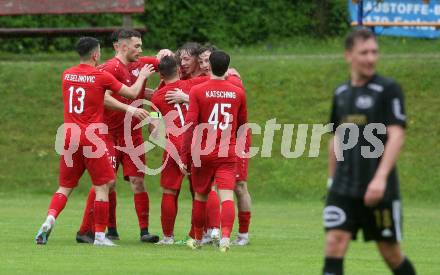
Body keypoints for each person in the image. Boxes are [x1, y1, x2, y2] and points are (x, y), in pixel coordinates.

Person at [35, 37, 153, 246]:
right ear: (95, 55)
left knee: (64, 187)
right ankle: (99, 236)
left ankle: (49, 219)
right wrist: (142, 75)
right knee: (103, 186)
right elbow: (133, 93)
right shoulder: (101, 76)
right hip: (91, 138)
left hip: (69, 136)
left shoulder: (67, 74)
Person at [323, 29, 416, 275]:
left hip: (378, 187)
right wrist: (331, 181)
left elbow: (396, 134)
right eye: (364, 52)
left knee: (390, 252)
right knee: (334, 242)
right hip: (343, 187)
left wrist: (380, 179)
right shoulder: (341, 93)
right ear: (348, 55)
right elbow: (335, 138)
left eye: (374, 52)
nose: (370, 58)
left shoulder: (388, 89)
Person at [76, 29, 163, 243]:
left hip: (132, 135)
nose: (140, 51)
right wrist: (130, 109)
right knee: (107, 182)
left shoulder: (138, 65)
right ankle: (99, 230)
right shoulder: (110, 68)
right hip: (109, 134)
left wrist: (166, 54)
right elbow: (102, 98)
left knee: (138, 181)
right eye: (137, 46)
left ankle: (144, 232)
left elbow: (167, 62)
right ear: (122, 47)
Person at [180, 50, 248, 252]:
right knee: (227, 196)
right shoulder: (238, 92)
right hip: (227, 151)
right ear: (228, 67)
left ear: (208, 65)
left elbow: (191, 125)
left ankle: (198, 239)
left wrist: (185, 156)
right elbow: (242, 125)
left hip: (203, 152)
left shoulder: (198, 91)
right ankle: (226, 238)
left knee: (201, 196)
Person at [149, 56, 209, 244]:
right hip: (197, 142)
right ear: (178, 69)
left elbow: (154, 128)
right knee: (200, 192)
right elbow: (217, 80)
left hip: (174, 145)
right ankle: (197, 235)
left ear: (160, 74)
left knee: (169, 191)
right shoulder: (194, 84)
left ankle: (168, 237)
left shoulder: (157, 97)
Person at [197, 45, 252, 246]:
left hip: (235, 142)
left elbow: (239, 115)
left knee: (239, 186)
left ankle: (243, 234)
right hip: (214, 145)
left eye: (206, 60)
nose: (203, 64)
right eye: (200, 61)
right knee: (211, 187)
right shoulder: (202, 81)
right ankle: (213, 231)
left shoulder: (233, 80)